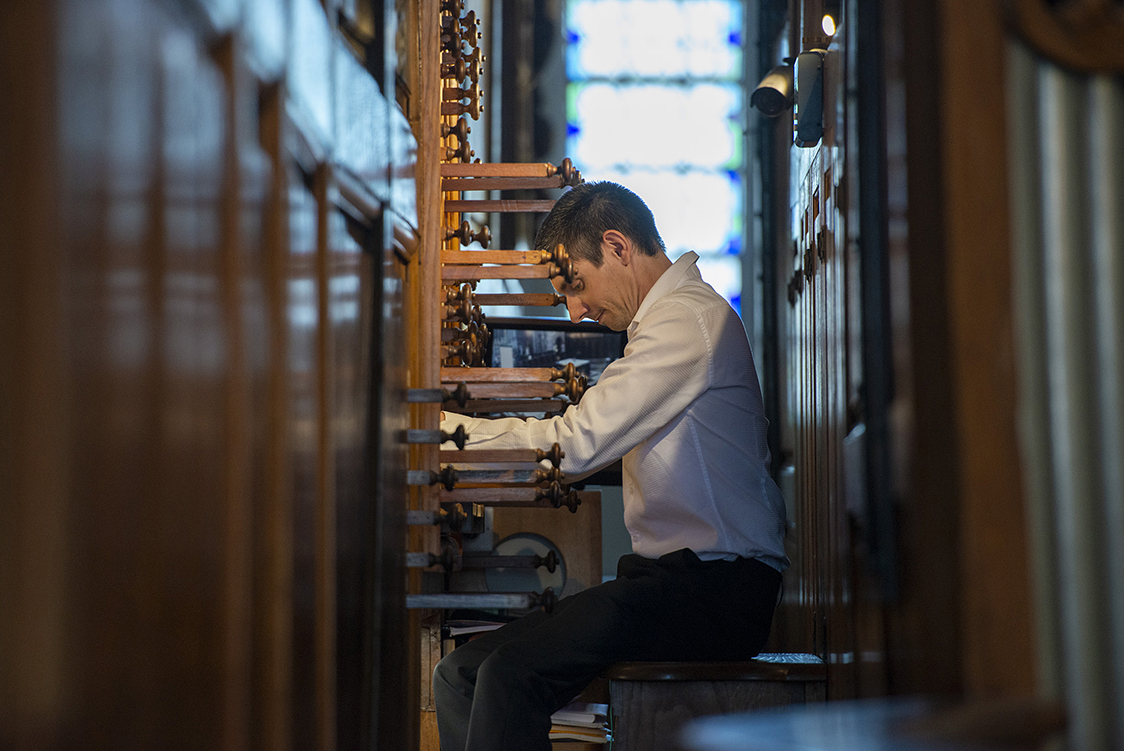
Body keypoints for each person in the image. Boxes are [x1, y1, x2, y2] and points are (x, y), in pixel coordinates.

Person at [434, 181, 788, 751]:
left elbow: (571, 446)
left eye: (575, 284)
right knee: (461, 674)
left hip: (719, 588)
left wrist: (443, 437)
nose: (575, 311)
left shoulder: (684, 322)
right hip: (671, 582)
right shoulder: (663, 324)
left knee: (509, 675)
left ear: (618, 247)